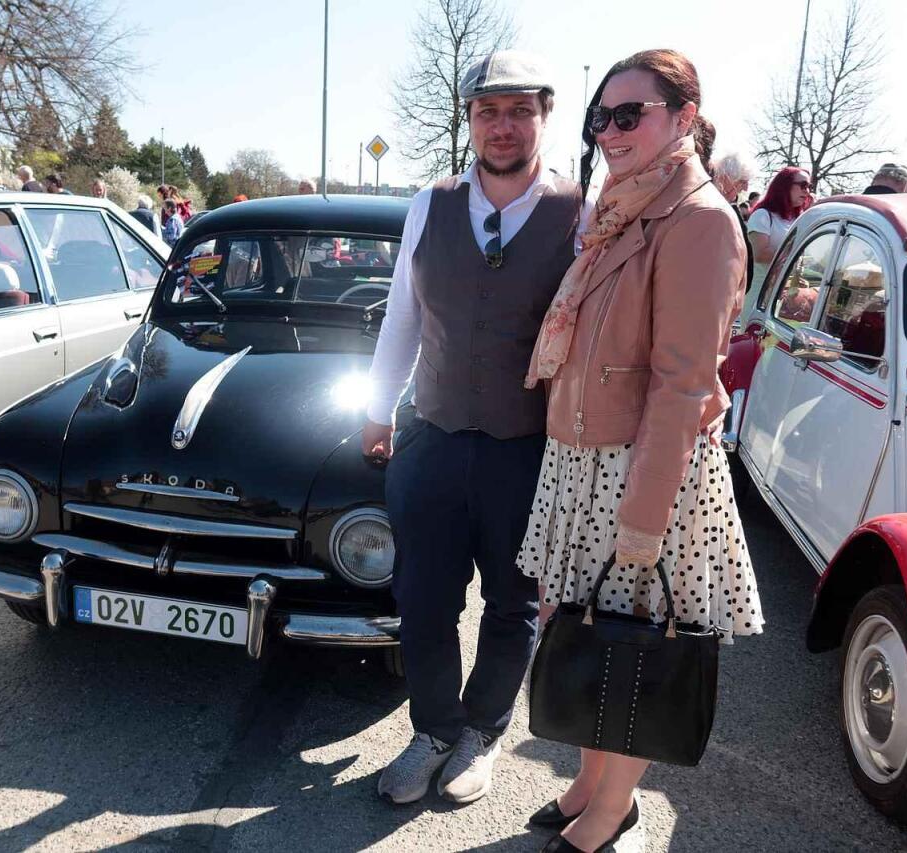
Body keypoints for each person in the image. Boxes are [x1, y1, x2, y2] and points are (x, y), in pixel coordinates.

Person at [520, 48, 762, 853]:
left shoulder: (699, 219)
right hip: (586, 460)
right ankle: (591, 785)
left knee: (632, 648)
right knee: (587, 631)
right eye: (602, 116)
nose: (610, 131)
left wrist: (644, 518)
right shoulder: (622, 206)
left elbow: (683, 383)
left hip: (644, 472)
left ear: (684, 118)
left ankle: (611, 811)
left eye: (631, 114)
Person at [362, 49, 581, 807]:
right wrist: (377, 408)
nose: (503, 125)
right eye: (488, 110)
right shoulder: (430, 203)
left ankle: (481, 730)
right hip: (434, 432)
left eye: (520, 110)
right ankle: (432, 729)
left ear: (545, 116)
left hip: (528, 446)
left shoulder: (580, 213)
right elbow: (403, 315)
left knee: (513, 602)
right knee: (423, 596)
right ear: (470, 121)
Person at [745, 166, 812, 295]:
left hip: (786, 296)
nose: (807, 191)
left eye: (809, 186)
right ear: (784, 186)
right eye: (803, 185)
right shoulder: (762, 215)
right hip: (761, 296)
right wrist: (794, 256)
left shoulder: (799, 219)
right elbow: (760, 255)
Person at [710, 152, 756, 290]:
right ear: (725, 178)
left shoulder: (730, 206)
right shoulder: (709, 208)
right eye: (743, 181)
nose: (746, 188)